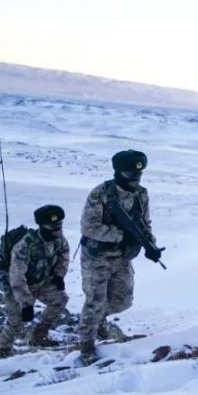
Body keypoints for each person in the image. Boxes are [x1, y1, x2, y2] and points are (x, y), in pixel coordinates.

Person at [77, 149, 159, 363]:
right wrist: (119, 236)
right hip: (97, 257)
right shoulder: (101, 193)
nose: (136, 179)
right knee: (95, 302)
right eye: (131, 174)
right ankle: (86, 347)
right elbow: (88, 227)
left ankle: (100, 322)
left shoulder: (141, 194)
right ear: (119, 172)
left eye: (139, 175)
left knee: (122, 301)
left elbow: (144, 224)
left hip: (122, 258)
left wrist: (151, 245)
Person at [0, 205, 70, 357]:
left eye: (59, 225)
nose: (57, 229)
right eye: (53, 226)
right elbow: (16, 276)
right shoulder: (25, 245)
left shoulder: (59, 239)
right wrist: (26, 303)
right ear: (42, 226)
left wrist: (59, 275)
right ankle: (3, 351)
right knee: (16, 321)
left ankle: (39, 336)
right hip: (18, 288)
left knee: (60, 300)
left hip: (41, 282)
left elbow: (64, 255)